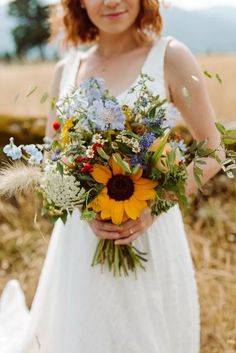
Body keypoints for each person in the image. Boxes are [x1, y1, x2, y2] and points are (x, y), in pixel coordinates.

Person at [0, 1, 224, 352]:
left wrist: (153, 209)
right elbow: (52, 159)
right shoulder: (67, 69)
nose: (112, 2)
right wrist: (82, 205)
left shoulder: (170, 56)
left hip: (150, 234)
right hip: (80, 239)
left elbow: (213, 149)